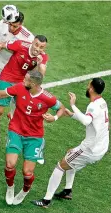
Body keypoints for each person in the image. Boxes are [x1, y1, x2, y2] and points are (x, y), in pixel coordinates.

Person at [0, 70, 65, 205]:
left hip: (34, 137)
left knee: (27, 172)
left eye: (26, 79)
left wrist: (55, 117)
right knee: (9, 164)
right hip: (15, 131)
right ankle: (10, 187)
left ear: (33, 84)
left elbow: (61, 108)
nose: (23, 80)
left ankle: (24, 190)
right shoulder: (19, 88)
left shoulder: (48, 98)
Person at [31, 78, 109, 208]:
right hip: (101, 147)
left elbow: (86, 121)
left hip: (90, 150)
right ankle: (67, 191)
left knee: (61, 165)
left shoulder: (92, 106)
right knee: (71, 157)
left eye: (88, 85)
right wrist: (72, 115)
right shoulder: (102, 103)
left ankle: (46, 200)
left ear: (91, 89)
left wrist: (73, 104)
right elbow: (93, 121)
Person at [0, 35, 48, 150]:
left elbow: (41, 76)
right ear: (32, 43)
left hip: (23, 83)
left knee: (26, 115)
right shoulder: (20, 44)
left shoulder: (42, 57)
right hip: (7, 79)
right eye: (36, 45)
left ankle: (21, 140)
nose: (38, 49)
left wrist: (39, 64)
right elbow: (2, 44)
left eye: (41, 47)